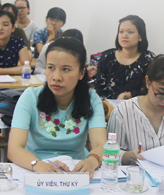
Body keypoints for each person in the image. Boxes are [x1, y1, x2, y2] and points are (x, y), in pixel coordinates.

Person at [8, 37, 107, 178]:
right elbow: (14, 148)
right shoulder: (30, 97)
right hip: (35, 167)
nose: (56, 77)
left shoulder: (92, 99)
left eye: (65, 69)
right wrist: (38, 165)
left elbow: (101, 144)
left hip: (76, 169)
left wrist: (92, 160)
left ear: (81, 73)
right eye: (51, 68)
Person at [107, 55, 164, 165]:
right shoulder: (123, 112)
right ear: (148, 82)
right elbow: (109, 155)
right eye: (161, 93)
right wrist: (129, 156)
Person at [93, 15, 155, 100]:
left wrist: (129, 95)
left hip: (138, 105)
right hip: (108, 105)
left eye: (130, 32)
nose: (124, 36)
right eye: (121, 32)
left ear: (140, 36)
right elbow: (99, 87)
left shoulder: (149, 60)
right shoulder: (107, 57)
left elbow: (152, 88)